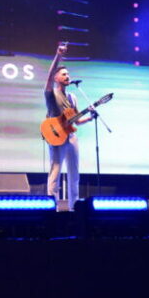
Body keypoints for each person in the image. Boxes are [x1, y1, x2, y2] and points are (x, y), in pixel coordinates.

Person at [44, 43, 95, 210]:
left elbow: (74, 120)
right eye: (64, 74)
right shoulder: (51, 94)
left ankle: (75, 208)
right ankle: (53, 207)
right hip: (56, 136)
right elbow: (49, 74)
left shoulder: (72, 96)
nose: (67, 76)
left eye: (68, 74)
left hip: (71, 136)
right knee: (56, 171)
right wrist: (58, 55)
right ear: (56, 78)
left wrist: (89, 117)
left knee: (74, 174)